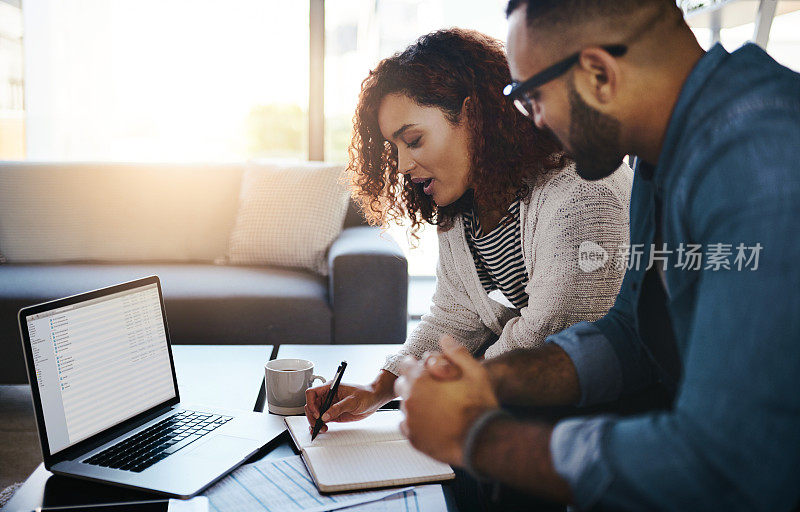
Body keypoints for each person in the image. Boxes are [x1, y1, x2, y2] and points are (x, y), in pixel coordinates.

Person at [395, 0, 800, 510]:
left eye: (532, 97)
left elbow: (725, 463)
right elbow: (632, 336)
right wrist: (488, 381)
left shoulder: (758, 161)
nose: (532, 123)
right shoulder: (662, 157)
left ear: (598, 75)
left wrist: (474, 437)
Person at [305, 28, 633, 432]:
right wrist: (378, 390)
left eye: (414, 140)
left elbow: (550, 337)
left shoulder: (584, 194)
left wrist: (444, 390)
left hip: (602, 429)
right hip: (529, 414)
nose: (403, 166)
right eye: (395, 149)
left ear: (473, 115)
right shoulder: (464, 205)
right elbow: (455, 316)